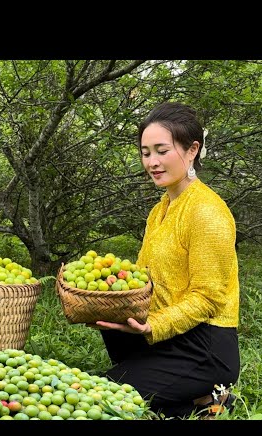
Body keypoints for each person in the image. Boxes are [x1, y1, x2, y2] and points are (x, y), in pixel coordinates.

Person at [93, 101, 240, 419]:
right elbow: (146, 279)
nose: (152, 162)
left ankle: (206, 389)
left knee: (101, 395)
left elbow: (208, 298)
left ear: (192, 151)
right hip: (165, 337)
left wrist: (152, 326)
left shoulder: (206, 211)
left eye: (161, 150)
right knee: (113, 322)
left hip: (204, 347)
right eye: (146, 153)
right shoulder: (159, 210)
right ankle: (195, 402)